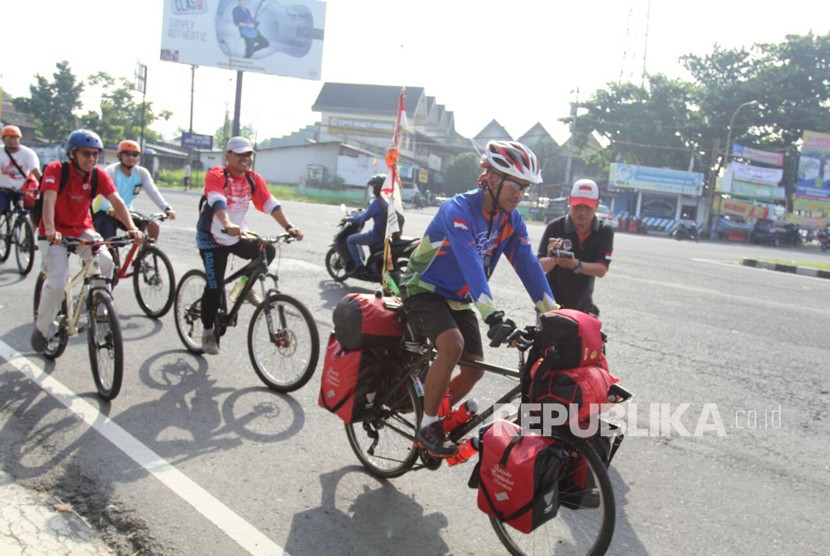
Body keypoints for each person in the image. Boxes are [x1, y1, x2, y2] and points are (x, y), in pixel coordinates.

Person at [400, 140, 557, 457]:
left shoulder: (510, 220)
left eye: (525, 188)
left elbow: (527, 265)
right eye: (516, 185)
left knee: (475, 369)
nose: (520, 194)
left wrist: (555, 315)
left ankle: (436, 411)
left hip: (457, 297)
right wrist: (492, 315)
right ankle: (428, 425)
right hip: (423, 288)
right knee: (453, 347)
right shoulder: (457, 209)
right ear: (493, 179)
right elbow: (470, 260)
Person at [31, 130, 144, 353]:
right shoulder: (56, 170)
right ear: (72, 153)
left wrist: (131, 228)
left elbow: (118, 201)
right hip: (53, 232)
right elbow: (49, 200)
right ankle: (42, 329)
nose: (91, 159)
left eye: (96, 154)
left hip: (82, 229)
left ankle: (96, 305)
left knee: (106, 262)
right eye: (86, 154)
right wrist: (52, 229)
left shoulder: (97, 175)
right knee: (57, 285)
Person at [196, 136, 303, 355]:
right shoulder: (217, 175)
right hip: (212, 238)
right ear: (228, 156)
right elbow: (217, 200)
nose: (246, 158)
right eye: (240, 154)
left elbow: (269, 202)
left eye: (249, 154)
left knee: (267, 250)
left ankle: (242, 289)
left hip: (237, 234)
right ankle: (207, 331)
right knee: (214, 286)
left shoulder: (252, 179)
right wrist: (226, 223)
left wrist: (289, 226)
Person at [537, 178, 614, 317]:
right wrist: (552, 258)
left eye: (587, 207)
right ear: (569, 202)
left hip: (583, 306)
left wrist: (576, 265)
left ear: (596, 205)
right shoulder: (555, 227)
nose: (582, 212)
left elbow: (601, 269)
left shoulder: (604, 230)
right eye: (577, 206)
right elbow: (539, 267)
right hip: (551, 305)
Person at [93, 140, 176, 242]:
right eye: (127, 154)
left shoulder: (142, 173)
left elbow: (153, 191)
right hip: (104, 211)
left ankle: (142, 255)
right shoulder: (111, 171)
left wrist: (166, 208)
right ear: (120, 156)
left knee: (153, 226)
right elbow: (103, 193)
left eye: (135, 154)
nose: (131, 157)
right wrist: (109, 208)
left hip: (125, 211)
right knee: (109, 244)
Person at [343, 174, 391, 278]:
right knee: (358, 238)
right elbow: (368, 213)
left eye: (373, 187)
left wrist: (349, 218)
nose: (372, 190)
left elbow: (362, 218)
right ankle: (361, 259)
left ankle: (360, 266)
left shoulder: (376, 203)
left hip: (375, 236)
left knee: (350, 239)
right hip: (385, 235)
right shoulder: (386, 201)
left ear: (377, 188)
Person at [0, 125, 41, 215]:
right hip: (2, 189)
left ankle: (31, 228)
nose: (12, 141)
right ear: (3, 140)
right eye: (9, 138)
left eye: (15, 138)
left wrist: (44, 186)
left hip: (23, 189)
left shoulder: (28, 153)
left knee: (34, 209)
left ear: (20, 139)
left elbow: (36, 172)